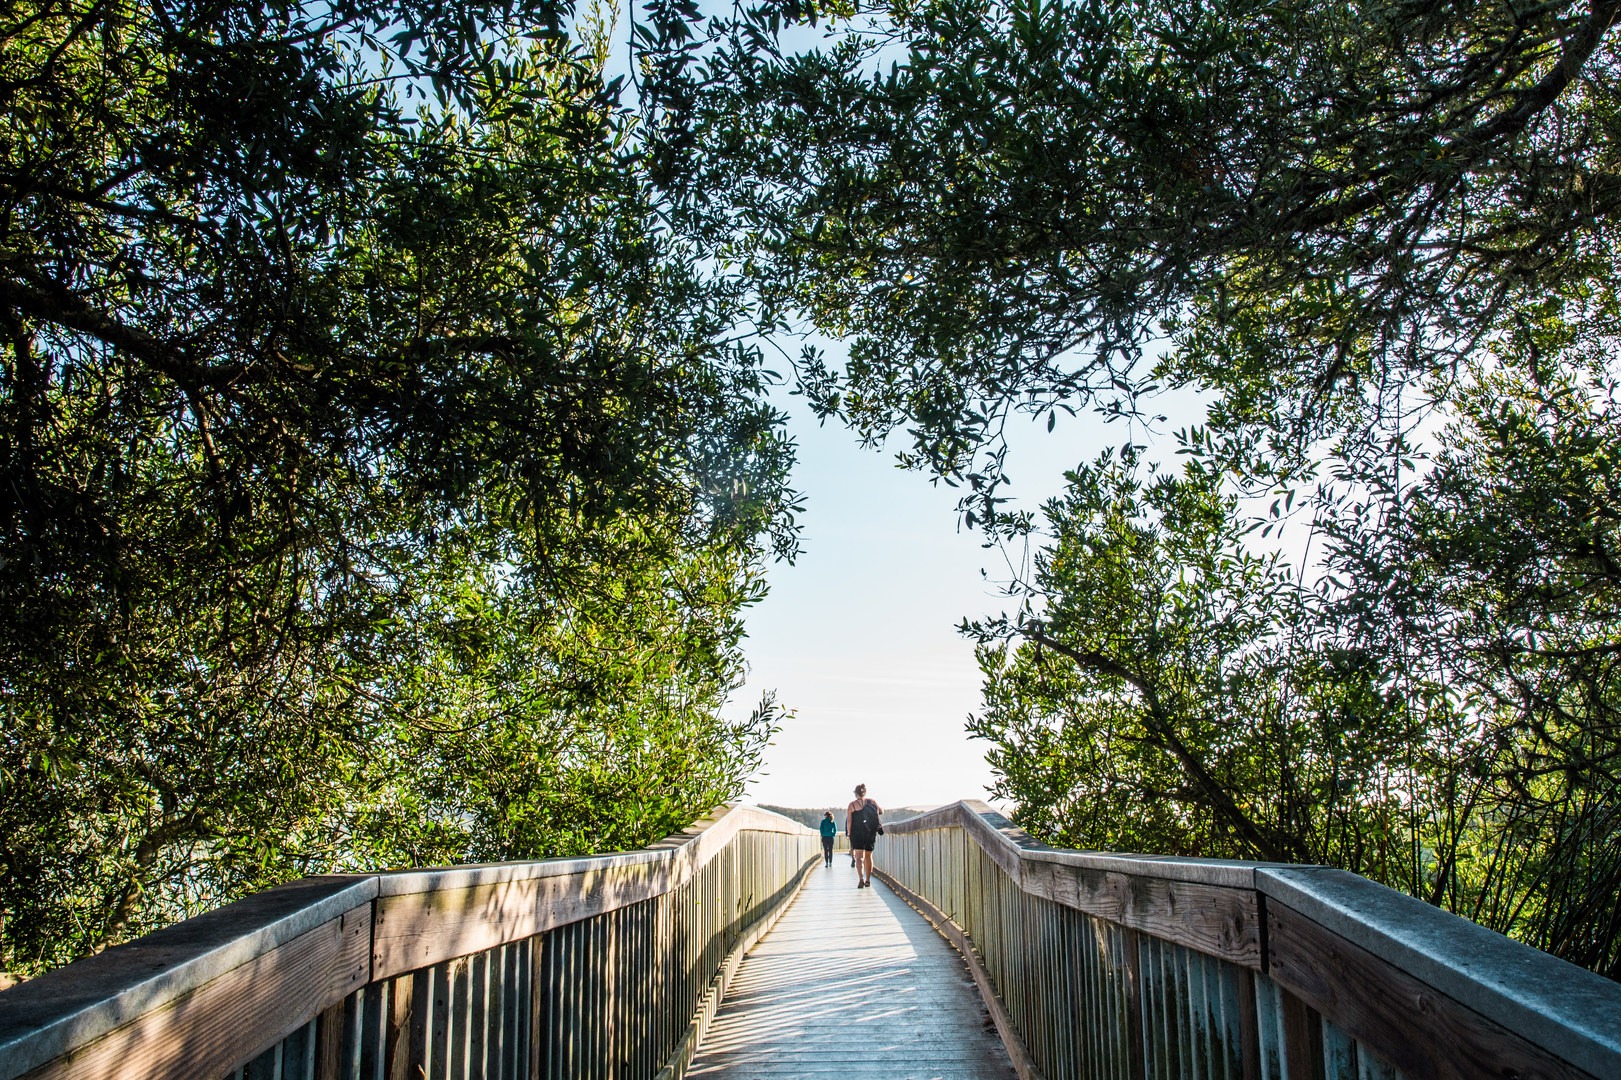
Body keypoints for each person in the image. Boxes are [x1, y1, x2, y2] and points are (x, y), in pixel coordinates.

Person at [845, 783, 882, 888]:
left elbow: (849, 821)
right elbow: (880, 811)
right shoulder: (872, 802)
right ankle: (868, 880)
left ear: (856, 794)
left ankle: (861, 879)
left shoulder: (851, 805)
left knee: (858, 857)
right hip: (870, 832)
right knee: (868, 856)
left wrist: (849, 833)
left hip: (857, 833)